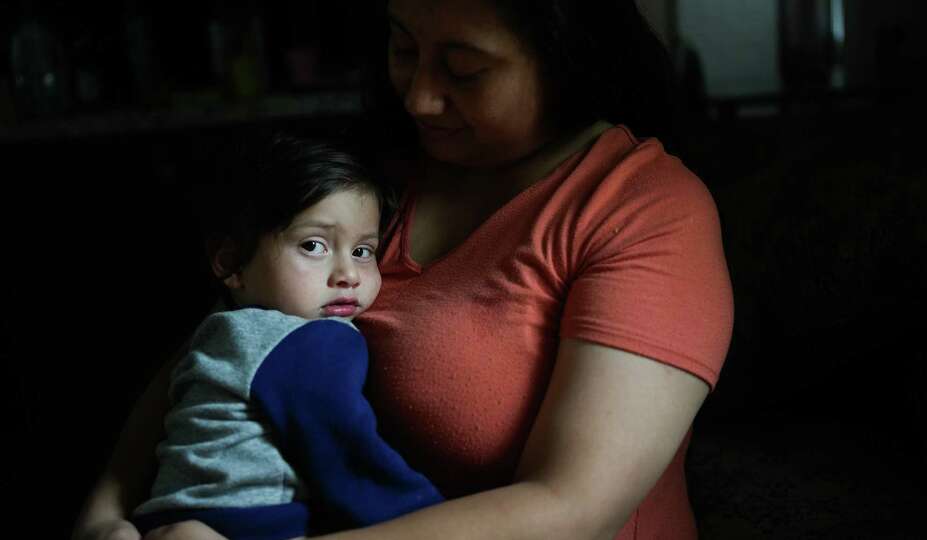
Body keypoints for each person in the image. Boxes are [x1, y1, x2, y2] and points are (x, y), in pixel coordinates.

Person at [73, 1, 734, 539]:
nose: (418, 97)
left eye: (463, 68)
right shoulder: (369, 180)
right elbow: (225, 348)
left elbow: (573, 510)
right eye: (403, 48)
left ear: (567, 60)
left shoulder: (642, 209)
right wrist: (106, 515)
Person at [127, 134, 442, 540]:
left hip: (162, 513)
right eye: (314, 246)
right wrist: (429, 515)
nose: (347, 273)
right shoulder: (309, 338)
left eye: (364, 251)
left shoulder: (218, 328)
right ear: (232, 264)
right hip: (252, 519)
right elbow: (344, 451)